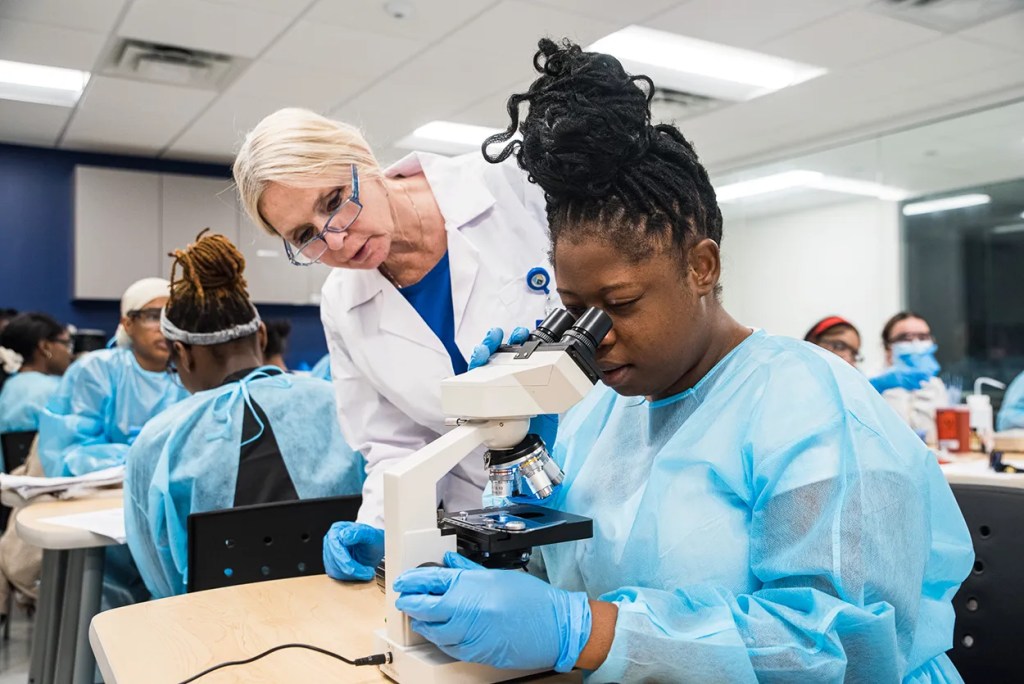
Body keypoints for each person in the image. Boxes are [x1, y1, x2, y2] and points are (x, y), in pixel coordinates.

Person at [331, 39, 974, 682]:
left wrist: (578, 629)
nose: (594, 336)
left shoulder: (809, 406)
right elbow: (564, 577)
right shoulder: (604, 410)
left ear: (701, 266)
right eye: (573, 307)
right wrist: (433, 564)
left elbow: (839, 649)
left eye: (621, 302)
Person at [233, 107, 555, 526]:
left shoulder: (508, 182)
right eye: (306, 236)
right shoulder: (341, 304)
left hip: (605, 480)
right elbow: (394, 447)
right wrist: (379, 535)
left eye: (334, 201)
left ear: (362, 156)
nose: (335, 239)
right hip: (488, 520)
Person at [124, 231, 364, 599]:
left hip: (220, 634)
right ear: (262, 335)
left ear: (182, 354)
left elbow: (162, 577)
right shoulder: (343, 402)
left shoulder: (160, 439)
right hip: (347, 611)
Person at [38, 278, 188, 477]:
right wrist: (141, 457)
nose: (165, 327)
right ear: (127, 323)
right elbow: (70, 451)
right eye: (153, 316)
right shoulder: (96, 371)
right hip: (101, 493)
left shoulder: (191, 373)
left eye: (173, 317)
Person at [0, 314, 72, 466]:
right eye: (65, 344)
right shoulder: (59, 391)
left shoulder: (8, 388)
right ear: (45, 346)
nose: (69, 352)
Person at [872, 311, 949, 443]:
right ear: (888, 347)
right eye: (906, 338)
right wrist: (879, 386)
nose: (916, 344)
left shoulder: (936, 385)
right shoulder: (874, 381)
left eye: (923, 337)